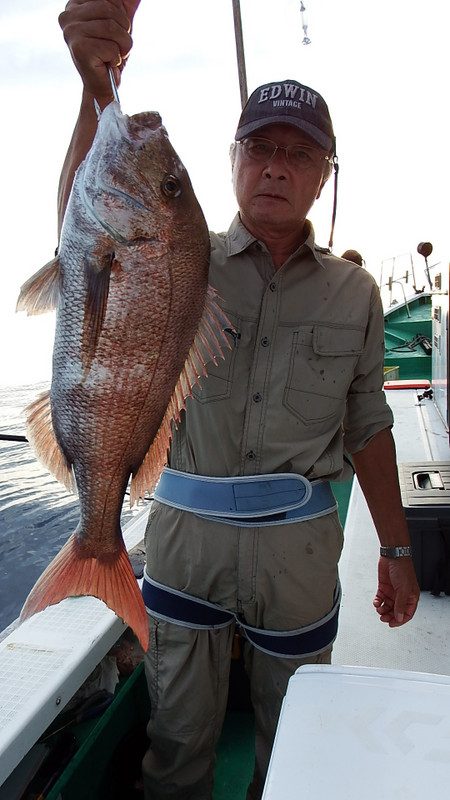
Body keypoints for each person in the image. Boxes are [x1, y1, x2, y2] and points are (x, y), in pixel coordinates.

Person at [57, 2, 420, 798]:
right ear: (234, 160)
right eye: (261, 148)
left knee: (295, 738)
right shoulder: (181, 252)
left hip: (299, 555)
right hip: (184, 546)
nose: (277, 167)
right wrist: (94, 90)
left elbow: (368, 424)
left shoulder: (356, 293)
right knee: (177, 739)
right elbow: (84, 232)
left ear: (323, 175)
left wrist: (395, 550)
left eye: (300, 154)